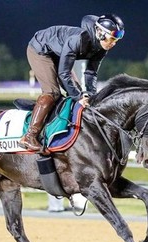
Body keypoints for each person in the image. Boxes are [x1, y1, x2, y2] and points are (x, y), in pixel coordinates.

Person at [19, 14, 125, 151]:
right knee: (53, 92)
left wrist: (91, 97)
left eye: (116, 40)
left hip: (58, 52)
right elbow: (64, 73)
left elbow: (91, 73)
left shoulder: (101, 47)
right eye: (112, 39)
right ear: (101, 33)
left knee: (79, 93)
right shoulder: (78, 40)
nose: (113, 44)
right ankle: (29, 136)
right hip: (40, 50)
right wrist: (79, 97)